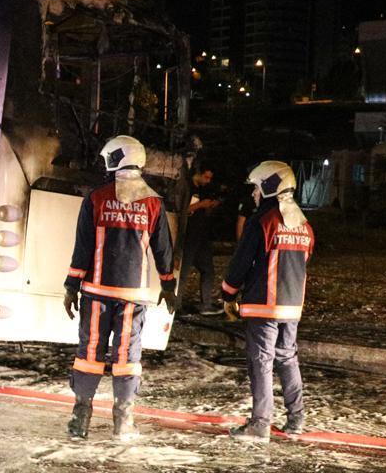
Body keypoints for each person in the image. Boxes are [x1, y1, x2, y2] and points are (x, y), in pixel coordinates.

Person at [63, 135, 177, 441]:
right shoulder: (153, 203)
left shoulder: (96, 198)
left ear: (117, 159)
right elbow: (164, 250)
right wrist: (169, 286)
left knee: (90, 352)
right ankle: (123, 421)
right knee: (127, 355)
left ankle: (80, 419)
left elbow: (82, 247)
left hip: (97, 293)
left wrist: (71, 286)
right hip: (132, 296)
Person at [220, 160, 314, 442]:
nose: (253, 194)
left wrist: (228, 293)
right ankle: (296, 418)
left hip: (263, 305)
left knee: (261, 361)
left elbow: (241, 262)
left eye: (257, 188)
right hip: (292, 306)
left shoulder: (263, 221)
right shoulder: (305, 225)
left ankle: (260, 424)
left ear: (269, 187)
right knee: (288, 358)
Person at [182, 166, 225, 314]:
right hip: (188, 236)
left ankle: (206, 304)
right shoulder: (186, 188)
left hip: (201, 235)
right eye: (206, 177)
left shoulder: (201, 189)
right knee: (183, 271)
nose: (208, 181)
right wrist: (201, 205)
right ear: (197, 174)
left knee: (208, 270)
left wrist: (210, 207)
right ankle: (175, 305)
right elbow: (182, 210)